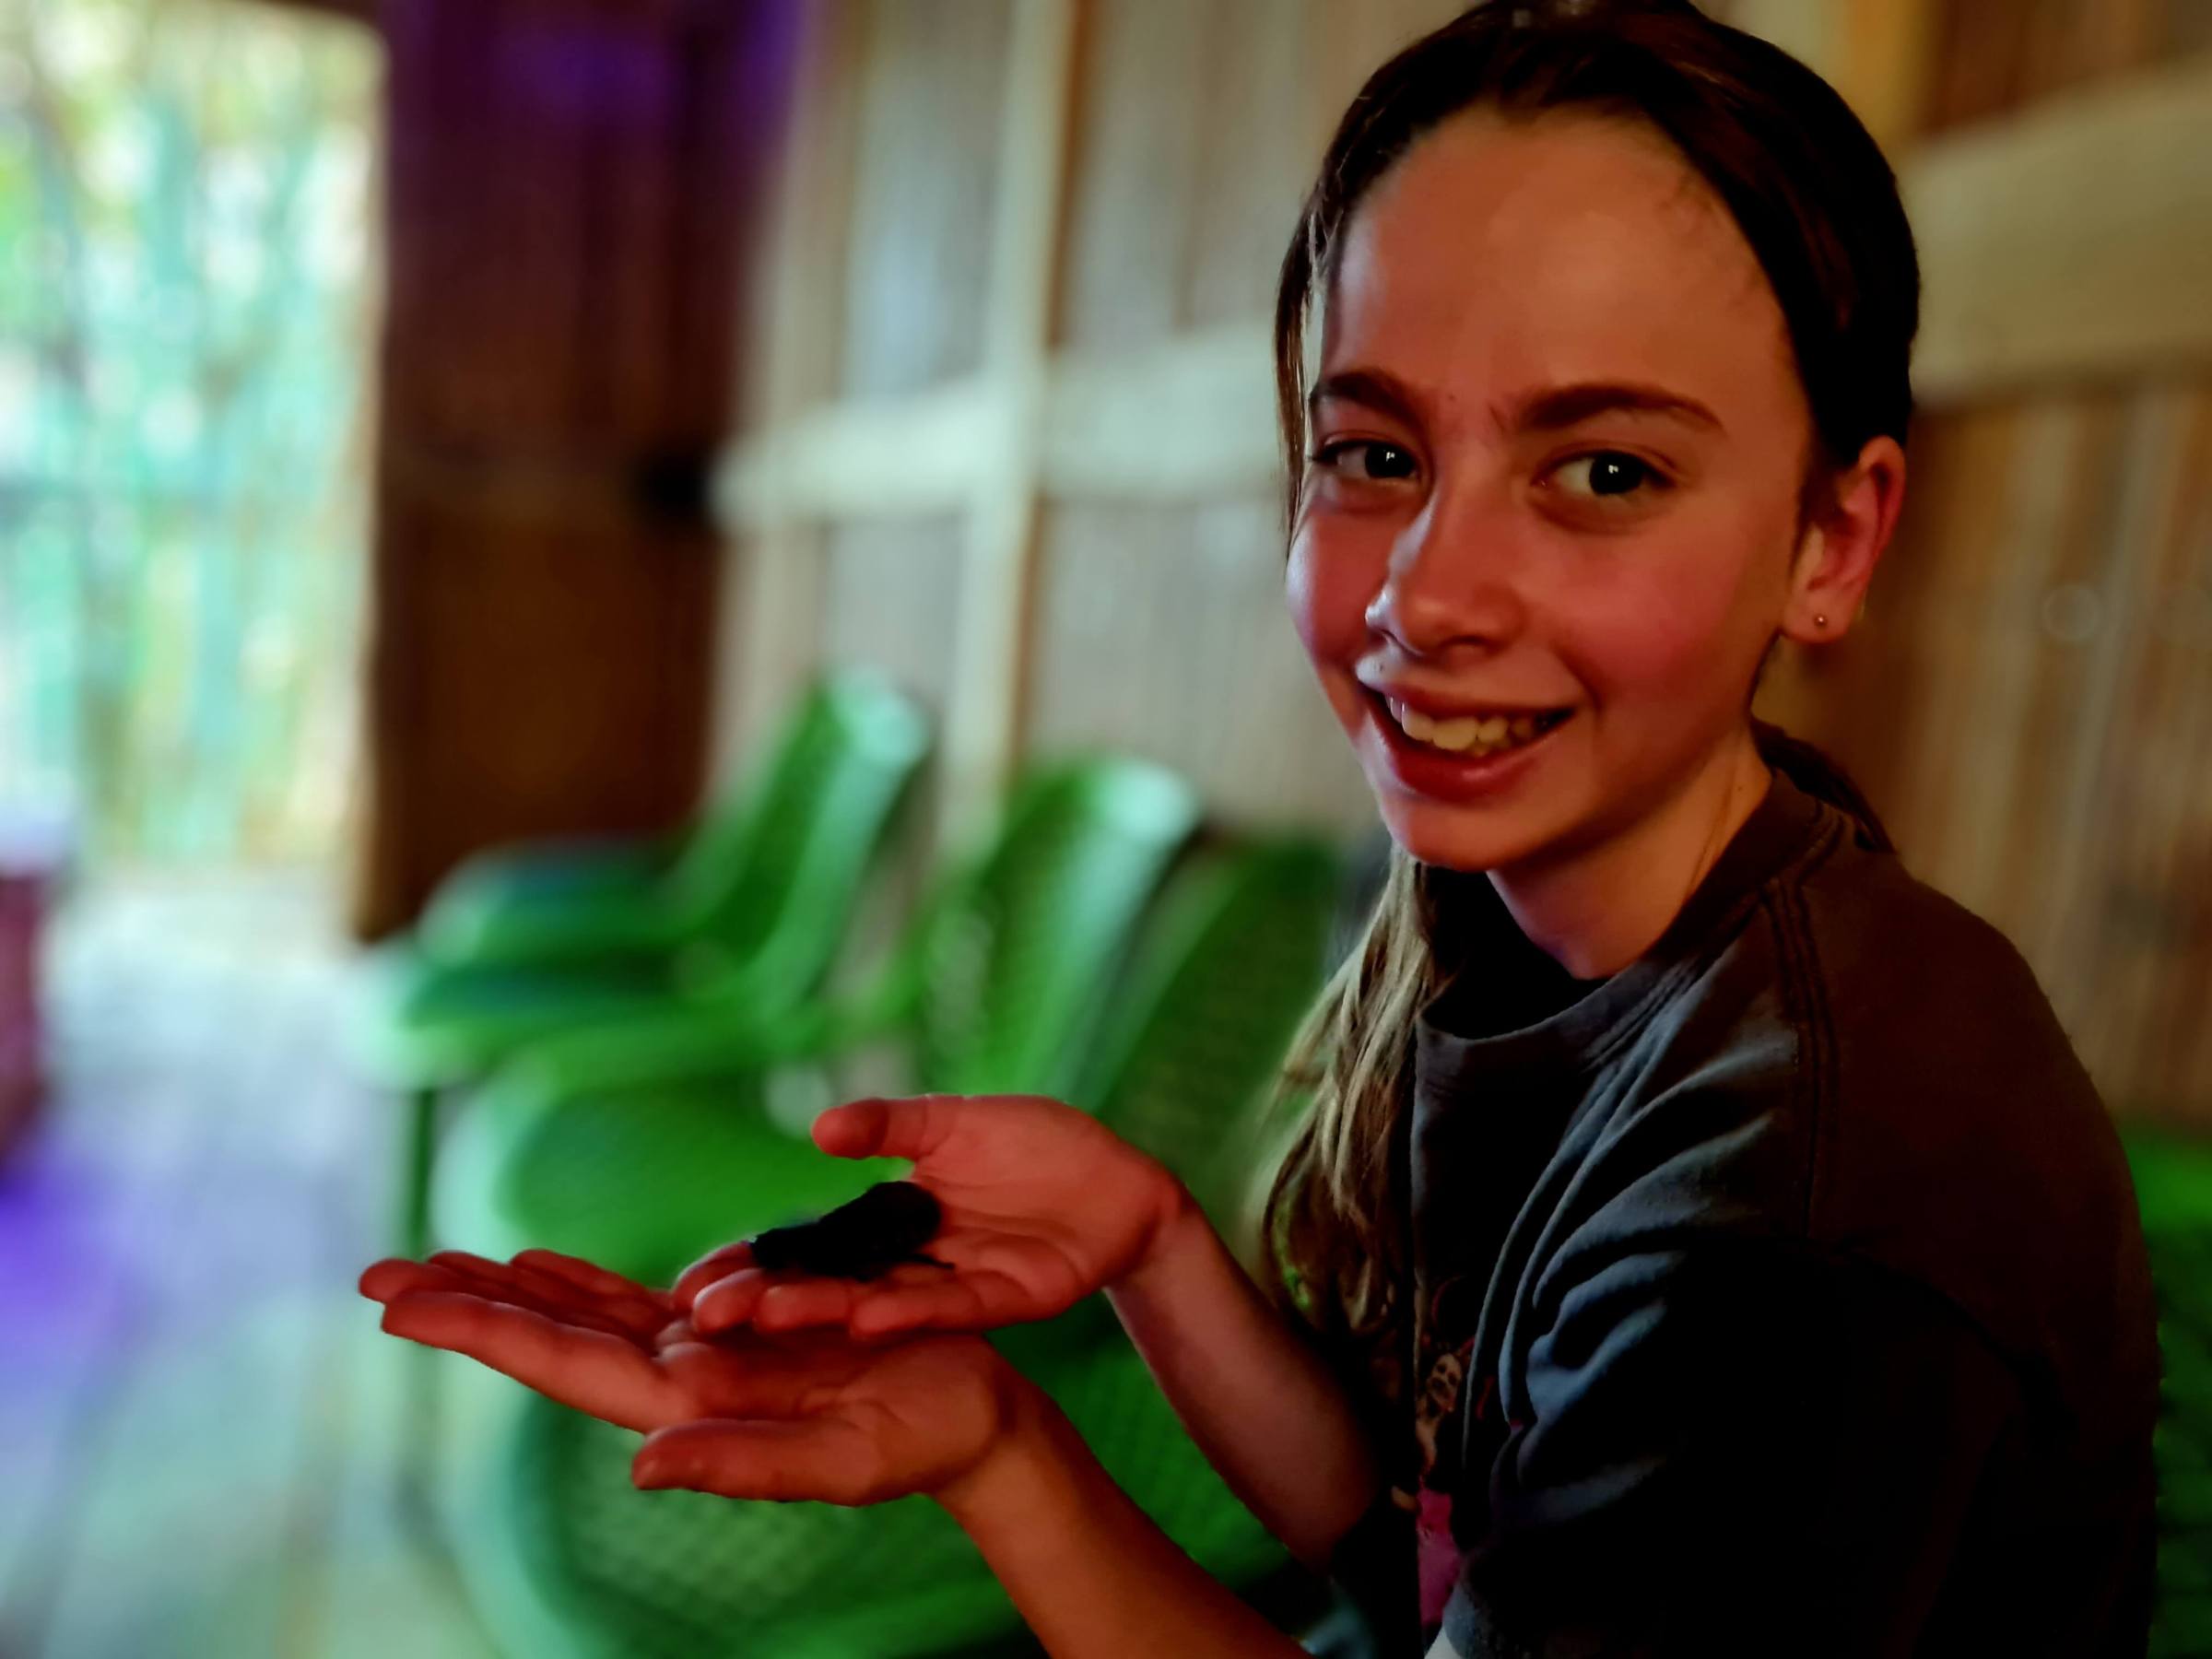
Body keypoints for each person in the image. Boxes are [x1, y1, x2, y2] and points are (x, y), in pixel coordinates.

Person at [359, 2, 2161, 1653]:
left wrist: (1011, 1461)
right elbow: (1432, 1551)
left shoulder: (1801, 1226)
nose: (1432, 596)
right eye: (1374, 456)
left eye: (1604, 471)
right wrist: (1128, 1263)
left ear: (1834, 540)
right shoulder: (1543, 920)